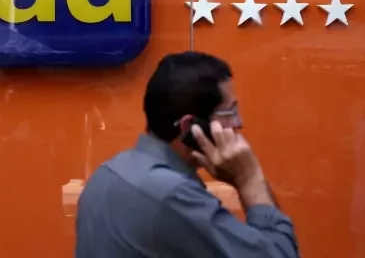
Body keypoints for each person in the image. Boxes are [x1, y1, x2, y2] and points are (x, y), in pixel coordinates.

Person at [75, 51, 299, 257]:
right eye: (230, 112)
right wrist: (249, 181)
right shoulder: (170, 195)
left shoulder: (109, 172)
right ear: (190, 127)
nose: (239, 123)